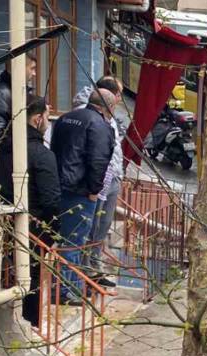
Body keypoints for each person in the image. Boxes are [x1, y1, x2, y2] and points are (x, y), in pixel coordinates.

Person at [50, 89, 118, 304]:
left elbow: (55, 149)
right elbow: (99, 161)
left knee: (66, 239)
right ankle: (66, 291)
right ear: (109, 107)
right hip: (80, 191)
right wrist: (93, 190)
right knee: (74, 242)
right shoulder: (100, 125)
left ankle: (71, 288)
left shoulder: (65, 118)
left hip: (59, 187)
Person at [73, 77, 127, 286]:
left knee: (102, 228)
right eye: (119, 94)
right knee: (90, 226)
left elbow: (114, 148)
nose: (121, 99)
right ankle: (83, 272)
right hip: (96, 182)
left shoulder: (110, 115)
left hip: (112, 177)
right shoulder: (87, 115)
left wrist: (119, 174)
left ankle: (94, 268)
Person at [21, 95, 61, 327]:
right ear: (37, 119)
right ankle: (30, 325)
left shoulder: (5, 146)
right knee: (32, 277)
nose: (48, 121)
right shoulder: (42, 154)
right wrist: (53, 233)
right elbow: (51, 200)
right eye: (47, 116)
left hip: (11, 223)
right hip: (35, 227)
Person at [0, 54, 37, 205]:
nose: (34, 73)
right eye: (31, 68)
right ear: (17, 67)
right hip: (5, 171)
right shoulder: (3, 93)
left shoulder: (17, 92)